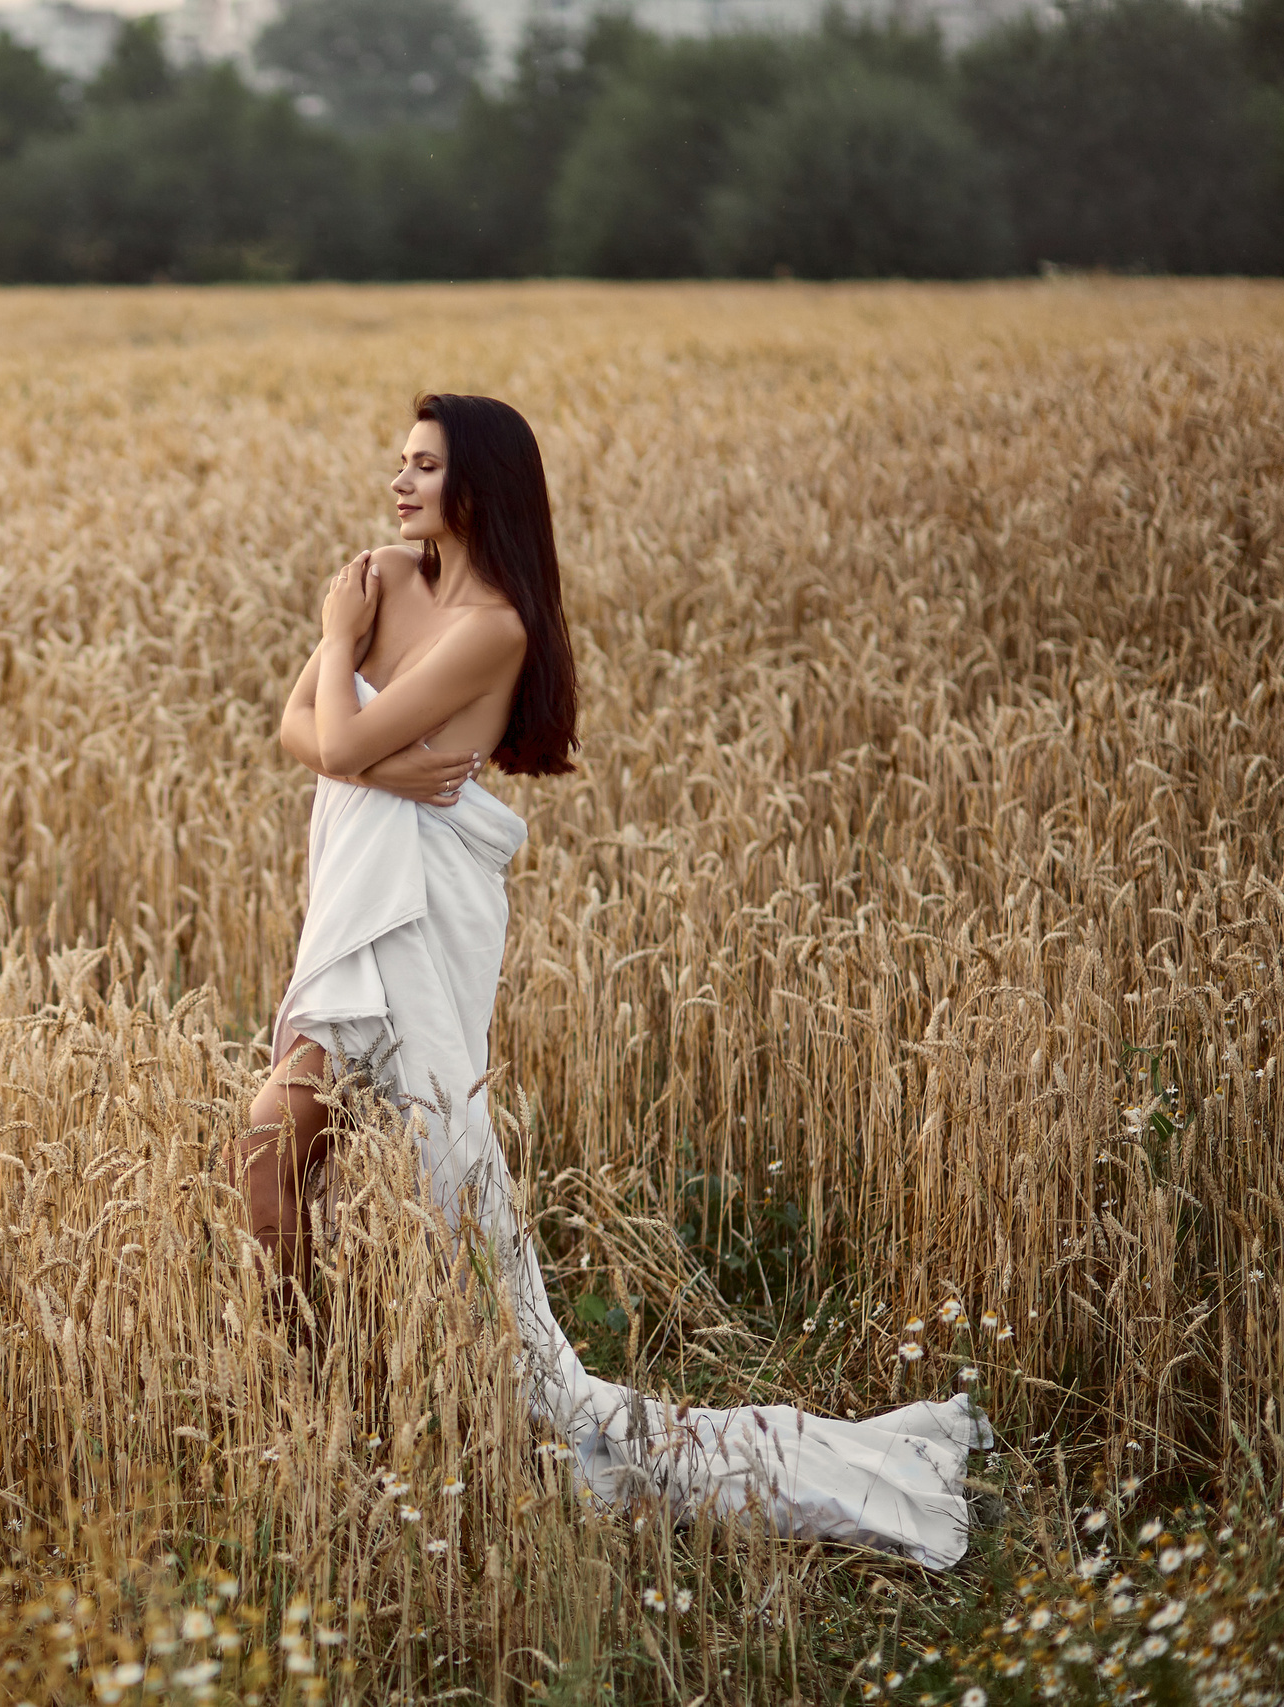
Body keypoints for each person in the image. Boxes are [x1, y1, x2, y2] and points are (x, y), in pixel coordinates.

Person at [239, 392, 991, 1570]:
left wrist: (338, 653)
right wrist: (374, 741)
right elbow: (298, 733)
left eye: (422, 467)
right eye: (398, 462)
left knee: (448, 1210)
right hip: (351, 899)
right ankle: (327, 1409)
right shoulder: (380, 576)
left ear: (476, 488)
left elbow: (330, 741)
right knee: (273, 1154)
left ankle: (485, 1424)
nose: (397, 484)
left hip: (423, 918)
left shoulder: (491, 627)